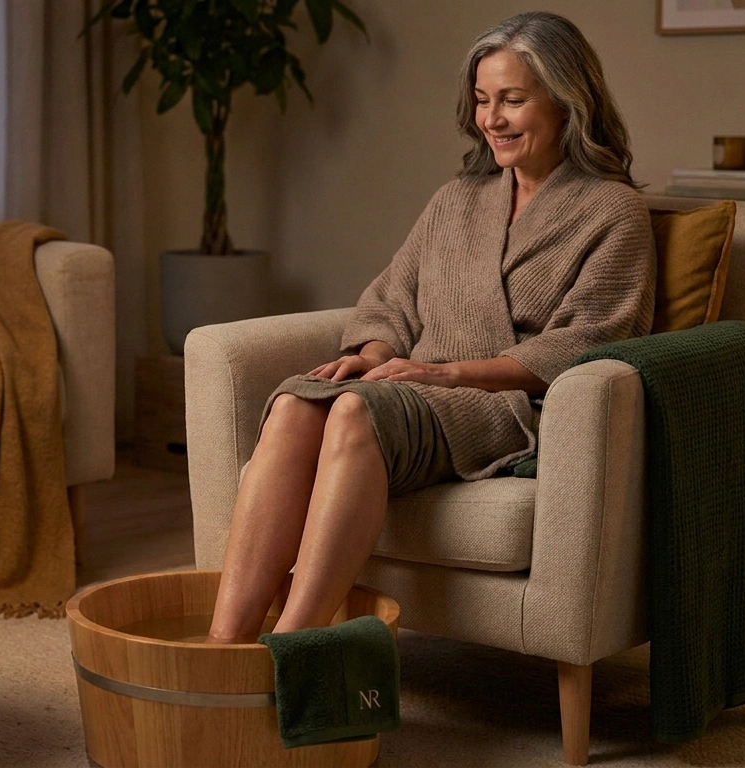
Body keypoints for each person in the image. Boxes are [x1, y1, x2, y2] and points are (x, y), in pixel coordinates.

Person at [206, 11, 657, 643]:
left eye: (512, 101)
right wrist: (376, 352)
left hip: (503, 406)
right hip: (412, 387)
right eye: (481, 100)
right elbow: (393, 295)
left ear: (566, 100)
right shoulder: (459, 198)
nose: (492, 119)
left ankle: (293, 646)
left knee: (355, 414)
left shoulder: (614, 211)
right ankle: (222, 647)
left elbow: (592, 340)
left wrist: (442, 372)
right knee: (292, 404)